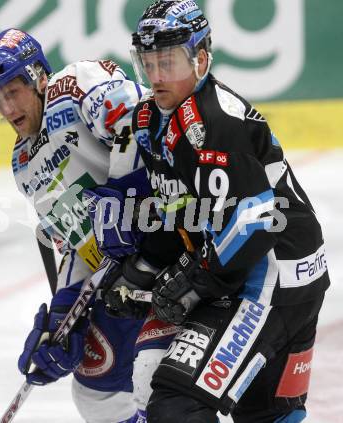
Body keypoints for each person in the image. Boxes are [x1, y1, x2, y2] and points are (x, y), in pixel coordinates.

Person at [99, 1, 330, 422]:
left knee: (175, 402)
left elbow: (257, 223)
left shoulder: (214, 119)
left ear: (200, 58)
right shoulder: (152, 120)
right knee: (265, 415)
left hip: (273, 274)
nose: (155, 75)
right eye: (147, 62)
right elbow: (183, 213)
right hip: (275, 269)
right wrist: (141, 272)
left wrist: (192, 282)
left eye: (167, 61)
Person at [0, 28, 173, 423]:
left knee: (162, 385)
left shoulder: (77, 86)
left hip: (180, 235)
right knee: (97, 391)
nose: (7, 108)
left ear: (39, 77)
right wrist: (63, 310)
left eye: (12, 92)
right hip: (130, 272)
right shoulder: (24, 166)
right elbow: (82, 243)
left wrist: (121, 198)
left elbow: (146, 124)